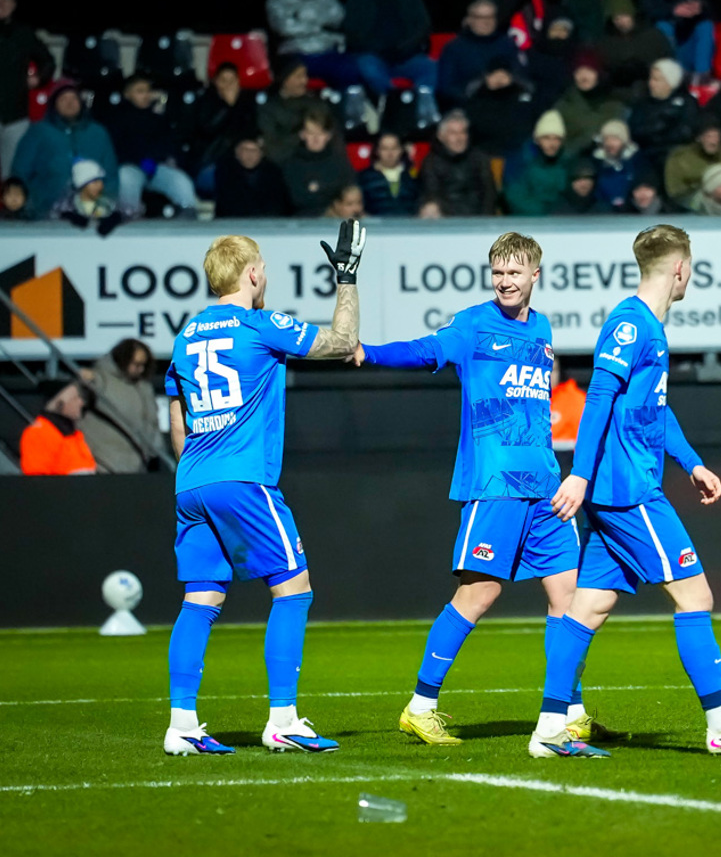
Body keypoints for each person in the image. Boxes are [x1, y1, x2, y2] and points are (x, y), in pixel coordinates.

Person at [351, 233, 620, 746]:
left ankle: (569, 713)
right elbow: (426, 350)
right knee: (479, 593)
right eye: (498, 272)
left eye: (514, 272)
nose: (505, 281)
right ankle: (420, 706)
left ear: (535, 275)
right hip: (495, 485)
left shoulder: (542, 328)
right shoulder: (473, 324)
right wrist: (370, 352)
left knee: (570, 600)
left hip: (547, 489)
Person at [532, 224, 721, 757]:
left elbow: (654, 409)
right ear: (680, 269)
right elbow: (598, 397)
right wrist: (579, 473)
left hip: (618, 488)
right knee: (696, 596)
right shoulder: (632, 325)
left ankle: (550, 729)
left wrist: (691, 463)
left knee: (587, 609)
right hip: (629, 491)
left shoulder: (648, 326)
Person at [161, 219, 366, 755]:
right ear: (253, 274)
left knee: (200, 598)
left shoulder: (186, 336)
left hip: (192, 480)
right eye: (264, 270)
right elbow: (343, 342)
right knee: (294, 588)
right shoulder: (259, 325)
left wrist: (196, 466)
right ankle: (283, 720)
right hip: (243, 477)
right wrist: (346, 278)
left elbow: (176, 413)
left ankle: (181, 725)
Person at [10, 81, 118, 219]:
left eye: (74, 98)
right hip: (45, 212)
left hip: (90, 211)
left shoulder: (98, 133)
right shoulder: (38, 132)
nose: (70, 103)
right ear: (54, 105)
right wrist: (26, 205)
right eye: (63, 99)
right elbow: (20, 170)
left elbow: (111, 172)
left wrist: (106, 202)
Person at [108, 73, 198, 217]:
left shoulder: (158, 118)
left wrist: (160, 160)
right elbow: (117, 148)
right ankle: (127, 217)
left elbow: (168, 144)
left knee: (181, 182)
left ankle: (187, 219)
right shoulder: (117, 118)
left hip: (156, 166)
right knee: (125, 178)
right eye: (140, 91)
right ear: (127, 94)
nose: (146, 95)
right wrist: (139, 160)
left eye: (147, 91)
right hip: (130, 166)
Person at [343, 0, 436, 99]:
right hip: (373, 57)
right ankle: (392, 103)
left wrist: (404, 48)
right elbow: (351, 33)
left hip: (408, 56)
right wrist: (377, 49)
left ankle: (423, 106)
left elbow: (423, 26)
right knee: (367, 66)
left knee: (429, 67)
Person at [265, 0, 360, 90]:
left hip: (327, 52)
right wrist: (319, 26)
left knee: (350, 68)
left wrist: (301, 19)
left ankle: (350, 101)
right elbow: (284, 27)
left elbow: (338, 18)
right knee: (291, 74)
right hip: (295, 54)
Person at [79, 338, 165, 474]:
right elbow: (87, 384)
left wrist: (155, 448)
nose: (141, 369)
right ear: (123, 360)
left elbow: (152, 421)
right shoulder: (103, 379)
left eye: (144, 365)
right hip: (104, 463)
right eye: (136, 364)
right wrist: (87, 378)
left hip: (136, 466)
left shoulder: (144, 388)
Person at [0, 0, 55, 180]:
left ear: (14, 4)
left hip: (15, 115)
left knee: (11, 174)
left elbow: (47, 61)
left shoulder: (23, 33)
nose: (1, 4)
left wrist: (38, 78)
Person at [258, 58, 341, 164]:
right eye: (298, 76)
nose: (304, 81)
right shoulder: (269, 109)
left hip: (319, 165)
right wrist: (300, 135)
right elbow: (272, 150)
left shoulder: (317, 105)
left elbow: (335, 142)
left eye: (305, 75)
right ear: (285, 80)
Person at [639, 0, 714, 80]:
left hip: (687, 42)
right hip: (666, 44)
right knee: (663, 26)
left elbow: (710, 13)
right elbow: (649, 12)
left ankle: (702, 76)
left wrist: (698, 9)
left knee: (705, 26)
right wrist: (673, 11)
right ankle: (673, 74)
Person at [190, 62, 260, 189]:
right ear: (216, 82)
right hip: (211, 161)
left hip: (241, 161)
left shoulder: (247, 102)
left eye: (232, 81)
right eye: (223, 80)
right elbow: (207, 130)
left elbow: (251, 131)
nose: (228, 85)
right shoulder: (205, 100)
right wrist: (228, 106)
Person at [594, 0, 674, 101]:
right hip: (617, 96)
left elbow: (668, 65)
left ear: (632, 14)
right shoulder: (606, 41)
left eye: (624, 15)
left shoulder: (653, 36)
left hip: (650, 94)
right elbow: (604, 72)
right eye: (616, 18)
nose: (620, 21)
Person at [437, 0, 516, 109]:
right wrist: (481, 85)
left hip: (507, 104)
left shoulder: (507, 44)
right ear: (469, 20)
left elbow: (524, 75)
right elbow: (445, 88)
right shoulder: (454, 48)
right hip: (469, 106)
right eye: (480, 17)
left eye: (490, 17)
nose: (486, 22)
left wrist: (510, 79)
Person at [418, 110, 497, 217]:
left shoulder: (479, 159)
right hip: (447, 219)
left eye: (463, 132)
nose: (459, 138)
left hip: (478, 218)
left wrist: (484, 221)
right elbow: (432, 194)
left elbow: (489, 194)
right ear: (441, 136)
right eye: (453, 133)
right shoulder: (431, 162)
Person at [664, 115, 721, 209]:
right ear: (699, 138)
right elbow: (675, 192)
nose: (713, 141)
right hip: (691, 206)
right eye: (709, 136)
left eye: (716, 136)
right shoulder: (680, 158)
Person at [628, 58, 698, 173]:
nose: (651, 83)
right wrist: (657, 128)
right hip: (647, 159)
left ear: (670, 82)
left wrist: (659, 133)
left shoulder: (687, 104)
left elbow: (686, 133)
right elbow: (635, 131)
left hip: (678, 158)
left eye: (657, 80)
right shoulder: (643, 104)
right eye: (651, 78)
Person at [464, 58, 540, 161]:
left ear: (511, 77)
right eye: (494, 75)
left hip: (517, 153)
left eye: (503, 75)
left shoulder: (523, 98)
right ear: (486, 77)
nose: (499, 80)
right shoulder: (476, 99)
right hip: (484, 153)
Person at [283, 111, 355, 217]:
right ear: (302, 134)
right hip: (299, 221)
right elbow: (296, 199)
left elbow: (349, 195)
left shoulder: (340, 164)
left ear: (328, 135)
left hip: (335, 220)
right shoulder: (290, 165)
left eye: (321, 133)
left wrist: (317, 189)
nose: (316, 139)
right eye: (311, 133)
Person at [552, 53, 627, 155]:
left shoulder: (614, 106)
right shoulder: (563, 106)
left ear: (598, 74)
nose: (584, 77)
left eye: (589, 71)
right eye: (579, 72)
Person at [21, 380, 97, 476]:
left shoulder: (71, 435)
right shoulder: (40, 433)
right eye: (75, 398)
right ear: (59, 403)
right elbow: (37, 479)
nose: (81, 403)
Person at [504, 110, 569, 216]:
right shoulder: (520, 161)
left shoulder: (566, 162)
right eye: (546, 138)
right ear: (537, 139)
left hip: (560, 219)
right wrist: (546, 215)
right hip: (526, 219)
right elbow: (515, 196)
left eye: (557, 139)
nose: (552, 144)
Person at [215, 136, 292, 218]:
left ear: (262, 154)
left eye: (254, 150)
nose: (250, 154)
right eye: (245, 150)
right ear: (237, 153)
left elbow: (280, 204)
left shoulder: (274, 174)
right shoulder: (225, 172)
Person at [53, 159, 123, 235]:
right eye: (95, 182)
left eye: (101, 181)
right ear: (82, 185)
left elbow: (126, 215)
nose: (100, 186)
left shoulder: (109, 204)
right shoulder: (66, 207)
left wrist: (113, 220)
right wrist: (72, 218)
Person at [591, 119, 647, 210]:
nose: (610, 143)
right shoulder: (596, 163)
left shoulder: (637, 162)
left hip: (632, 213)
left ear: (624, 141)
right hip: (603, 214)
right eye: (606, 139)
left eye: (614, 139)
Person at [358, 132, 418, 217]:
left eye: (394, 148)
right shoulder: (365, 177)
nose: (390, 153)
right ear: (377, 151)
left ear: (401, 150)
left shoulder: (412, 177)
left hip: (408, 223)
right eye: (385, 149)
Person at [549, 356, 586, 451]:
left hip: (566, 457)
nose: (549, 375)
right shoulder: (522, 401)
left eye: (552, 370)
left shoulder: (576, 400)